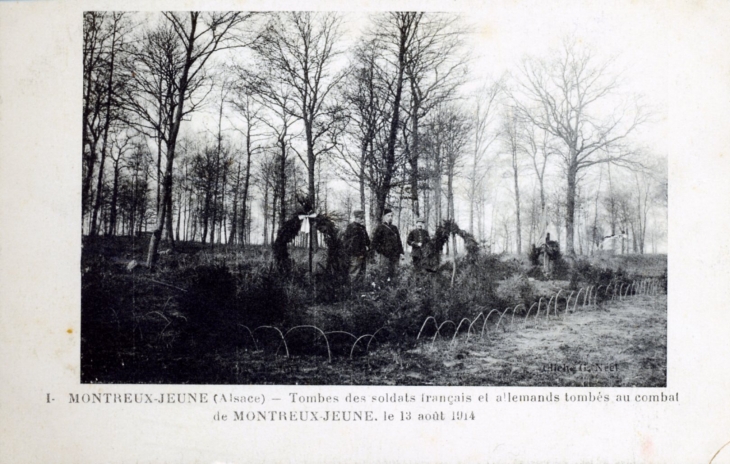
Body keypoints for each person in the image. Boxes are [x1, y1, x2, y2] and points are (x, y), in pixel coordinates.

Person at [371, 208, 404, 278]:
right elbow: (375, 242)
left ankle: (393, 288)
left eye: (391, 216)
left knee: (394, 274)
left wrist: (401, 252)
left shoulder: (394, 228)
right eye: (388, 216)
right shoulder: (380, 228)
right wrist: (382, 251)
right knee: (384, 273)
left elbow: (399, 241)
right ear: (384, 217)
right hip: (385, 256)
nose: (390, 218)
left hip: (395, 256)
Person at [341, 210, 370, 284]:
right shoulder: (351, 227)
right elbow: (351, 243)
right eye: (360, 218)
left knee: (361, 274)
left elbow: (367, 240)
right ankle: (351, 292)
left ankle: (358, 291)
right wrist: (358, 254)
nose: (362, 219)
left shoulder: (362, 228)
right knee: (354, 274)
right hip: (355, 256)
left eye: (362, 218)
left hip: (362, 255)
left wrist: (368, 247)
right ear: (356, 218)